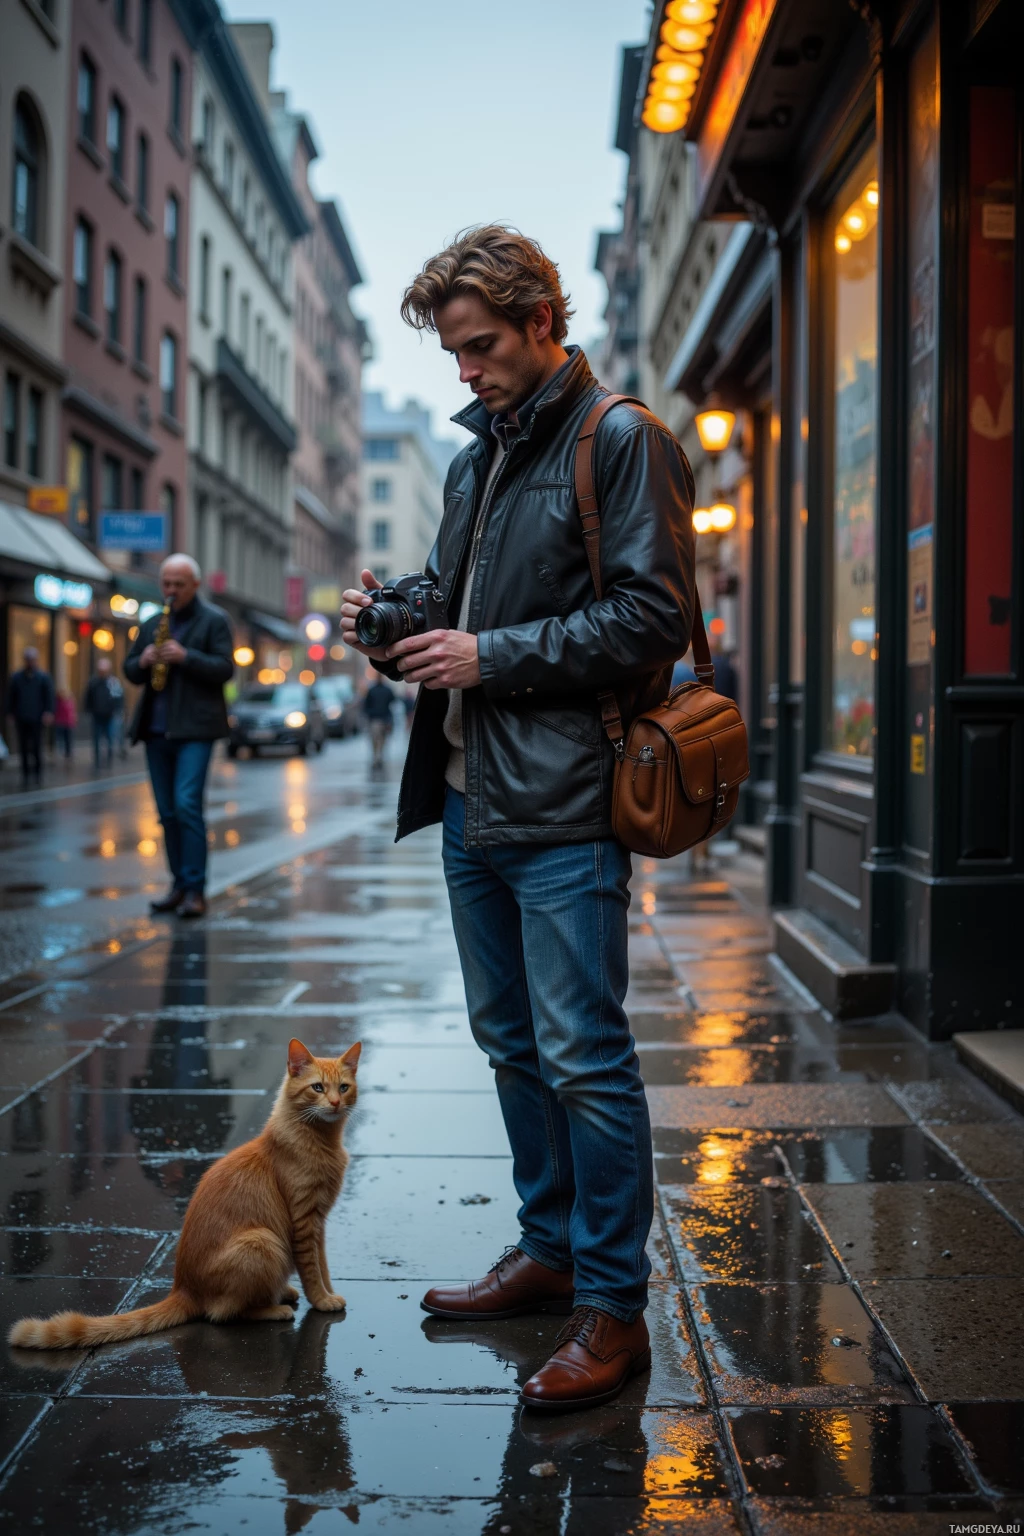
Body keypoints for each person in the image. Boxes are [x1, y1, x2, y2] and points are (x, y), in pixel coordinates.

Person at [341, 225, 695, 1413]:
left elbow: (654, 618)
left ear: (543, 320)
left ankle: (612, 1308)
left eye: (480, 346)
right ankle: (548, 1250)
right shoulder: (473, 457)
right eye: (451, 353)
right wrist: (391, 616)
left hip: (566, 808)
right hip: (469, 801)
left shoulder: (620, 438)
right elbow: (453, 595)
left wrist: (489, 656)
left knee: (586, 1059)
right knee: (510, 1046)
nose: (465, 371)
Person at [124, 554, 234, 920]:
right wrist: (143, 660)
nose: (170, 591)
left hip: (196, 731)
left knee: (187, 805)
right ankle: (177, 885)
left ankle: (195, 890)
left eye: (178, 585)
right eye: (166, 584)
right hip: (156, 732)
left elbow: (224, 669)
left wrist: (186, 657)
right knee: (167, 812)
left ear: (195, 585)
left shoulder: (215, 620)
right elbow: (130, 669)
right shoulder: (154, 622)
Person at [4, 647, 55, 787]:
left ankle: (38, 773)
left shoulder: (43, 677)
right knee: (24, 746)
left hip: (37, 718)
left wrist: (48, 712)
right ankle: (26, 773)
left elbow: (49, 697)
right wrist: (10, 713)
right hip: (22, 716)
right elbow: (11, 697)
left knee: (37, 746)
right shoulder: (17, 677)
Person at [84, 657, 121, 768]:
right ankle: (97, 759)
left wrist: (117, 710)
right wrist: (89, 709)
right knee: (96, 738)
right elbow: (88, 697)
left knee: (110, 737)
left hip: (109, 715)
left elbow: (118, 697)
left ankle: (109, 758)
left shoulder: (113, 682)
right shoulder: (93, 682)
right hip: (97, 714)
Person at [361, 675, 396, 771]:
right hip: (380, 718)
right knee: (379, 739)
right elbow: (393, 700)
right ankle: (378, 757)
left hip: (378, 718)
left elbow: (366, 705)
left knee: (377, 739)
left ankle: (377, 757)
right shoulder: (386, 689)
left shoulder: (372, 690)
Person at [53, 689, 77, 761]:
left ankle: (68, 753)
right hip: (60, 723)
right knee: (60, 739)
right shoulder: (57, 702)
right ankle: (60, 751)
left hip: (68, 723)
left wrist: (74, 719)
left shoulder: (70, 701)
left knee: (68, 739)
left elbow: (73, 712)